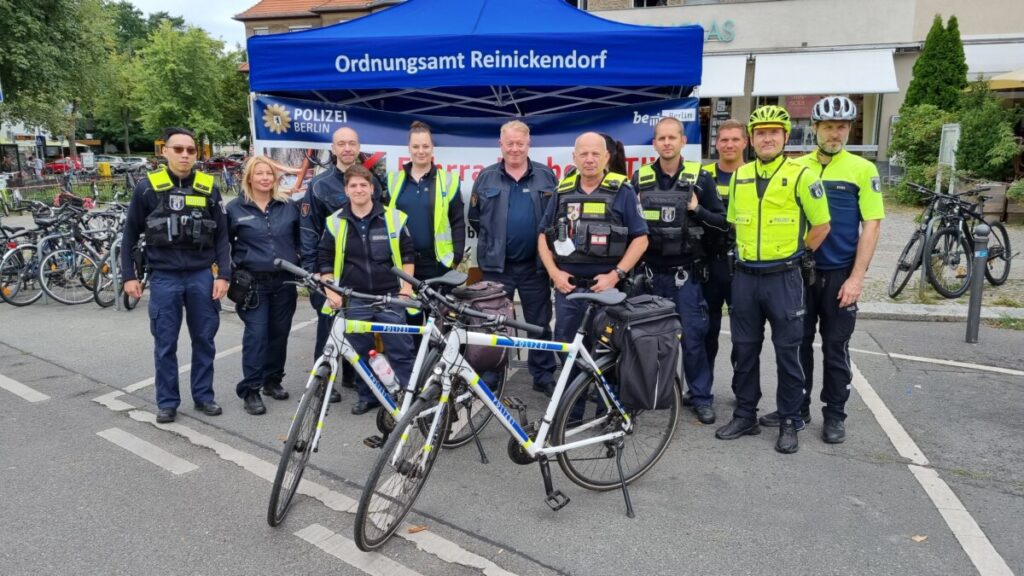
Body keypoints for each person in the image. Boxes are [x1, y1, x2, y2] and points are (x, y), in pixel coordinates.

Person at [757, 96, 884, 444]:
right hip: (800, 272)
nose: (835, 133)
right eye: (828, 126)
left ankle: (835, 414)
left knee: (835, 346)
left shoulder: (862, 169)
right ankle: (797, 408)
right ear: (814, 128)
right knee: (797, 344)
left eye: (841, 126)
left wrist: (857, 278)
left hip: (840, 273)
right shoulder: (798, 167)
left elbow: (872, 226)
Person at [714, 105, 831, 454]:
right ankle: (745, 413)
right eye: (761, 133)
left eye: (774, 132)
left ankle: (790, 420)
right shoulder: (741, 175)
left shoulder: (802, 175)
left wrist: (798, 254)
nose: (767, 138)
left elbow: (822, 226)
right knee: (744, 349)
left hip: (784, 278)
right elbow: (734, 221)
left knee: (787, 353)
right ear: (752, 139)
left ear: (785, 137)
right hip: (746, 277)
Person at [121, 127, 231, 423]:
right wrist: (128, 276)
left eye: (190, 150)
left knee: (204, 339)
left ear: (197, 154)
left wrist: (224, 276)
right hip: (164, 277)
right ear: (165, 151)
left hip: (201, 275)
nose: (185, 155)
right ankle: (167, 402)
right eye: (178, 149)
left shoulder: (209, 186)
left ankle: (204, 396)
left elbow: (222, 236)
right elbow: (130, 233)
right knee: (165, 342)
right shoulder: (147, 187)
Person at [632, 117, 728, 424]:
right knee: (645, 340)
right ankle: (644, 395)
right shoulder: (640, 178)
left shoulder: (700, 178)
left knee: (694, 339)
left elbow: (722, 224)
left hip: (685, 275)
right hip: (648, 274)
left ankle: (700, 397)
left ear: (683, 141)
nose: (667, 143)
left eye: (673, 137)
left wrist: (696, 210)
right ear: (655, 142)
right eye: (661, 138)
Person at [317, 164, 417, 415]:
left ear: (372, 188)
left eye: (364, 185)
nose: (359, 189)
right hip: (355, 298)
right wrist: (331, 290)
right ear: (346, 190)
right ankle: (368, 395)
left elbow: (408, 256)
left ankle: (407, 396)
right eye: (354, 185)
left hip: (391, 296)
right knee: (360, 351)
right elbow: (324, 260)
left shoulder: (395, 217)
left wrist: (405, 290)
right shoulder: (334, 222)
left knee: (400, 349)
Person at [469, 120, 559, 395]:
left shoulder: (546, 177)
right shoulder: (485, 177)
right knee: (493, 323)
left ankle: (542, 375)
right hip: (498, 267)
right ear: (501, 145)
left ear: (529, 144)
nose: (515, 149)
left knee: (539, 322)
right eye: (510, 143)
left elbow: (555, 218)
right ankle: (492, 373)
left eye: (520, 143)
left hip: (535, 267)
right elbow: (475, 219)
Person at [538, 132, 649, 351]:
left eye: (595, 153)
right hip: (568, 290)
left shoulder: (623, 191)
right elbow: (542, 236)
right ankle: (572, 386)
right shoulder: (562, 191)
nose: (589, 159)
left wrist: (615, 275)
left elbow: (641, 239)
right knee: (566, 350)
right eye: (584, 154)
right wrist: (554, 273)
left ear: (606, 157)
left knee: (607, 352)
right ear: (574, 157)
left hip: (608, 291)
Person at [300, 126, 385, 403]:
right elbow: (309, 230)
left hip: (362, 271)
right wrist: (315, 273)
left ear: (358, 147)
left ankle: (352, 375)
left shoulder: (372, 180)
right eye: (341, 144)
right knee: (329, 328)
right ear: (333, 149)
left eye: (352, 143)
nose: (347, 148)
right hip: (330, 270)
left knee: (359, 328)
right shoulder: (319, 185)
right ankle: (323, 381)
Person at [226, 156, 300, 416]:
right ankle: (251, 390)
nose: (265, 178)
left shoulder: (288, 207)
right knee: (256, 336)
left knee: (279, 334)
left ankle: (272, 380)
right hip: (253, 285)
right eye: (259, 174)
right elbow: (224, 246)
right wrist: (229, 273)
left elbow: (300, 241)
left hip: (284, 282)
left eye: (269, 173)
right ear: (249, 178)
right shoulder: (235, 208)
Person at [385, 121, 465, 283]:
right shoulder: (393, 180)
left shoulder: (449, 180)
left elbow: (457, 222)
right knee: (408, 308)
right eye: (415, 147)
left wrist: (456, 257)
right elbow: (385, 221)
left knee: (437, 309)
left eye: (425, 146)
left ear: (432, 148)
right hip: (401, 263)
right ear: (409, 148)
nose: (421, 151)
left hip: (437, 264)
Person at [701, 119, 747, 392]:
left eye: (735, 139)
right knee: (707, 331)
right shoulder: (703, 174)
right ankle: (701, 389)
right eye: (724, 140)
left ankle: (742, 391)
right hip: (709, 262)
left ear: (745, 142)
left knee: (744, 335)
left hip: (743, 265)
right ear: (716, 143)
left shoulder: (754, 174)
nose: (729, 144)